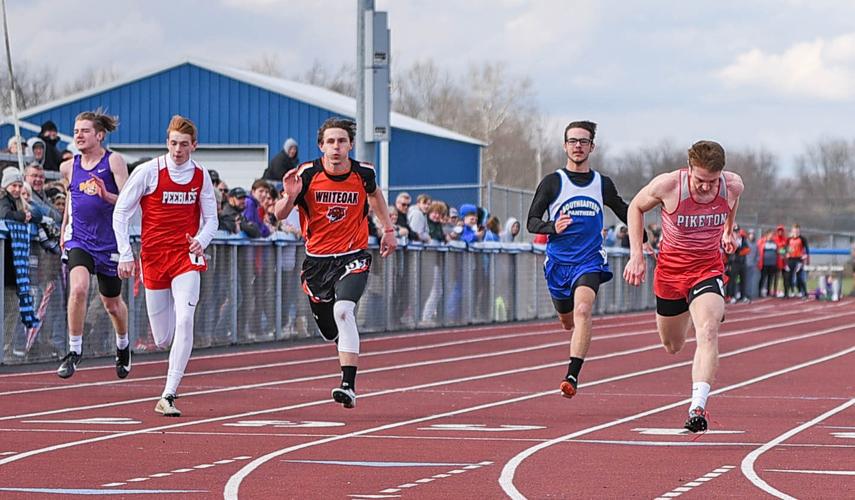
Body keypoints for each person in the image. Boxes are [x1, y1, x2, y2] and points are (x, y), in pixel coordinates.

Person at [273, 117, 396, 409]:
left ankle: (347, 386)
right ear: (321, 146)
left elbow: (375, 195)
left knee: (344, 311)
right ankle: (339, 340)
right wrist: (289, 198)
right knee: (330, 330)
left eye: (341, 141)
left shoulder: (363, 172)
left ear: (350, 144)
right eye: (330, 142)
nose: (336, 147)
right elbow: (279, 214)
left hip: (353, 255)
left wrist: (387, 229)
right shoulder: (306, 173)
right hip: (317, 261)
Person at [623, 140, 744, 433]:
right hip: (671, 272)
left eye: (712, 181)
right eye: (700, 180)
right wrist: (637, 254)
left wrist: (728, 231)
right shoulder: (669, 186)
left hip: (707, 269)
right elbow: (635, 207)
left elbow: (731, 203)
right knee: (673, 345)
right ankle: (693, 309)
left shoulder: (732, 186)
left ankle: (697, 407)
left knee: (708, 329)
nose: (705, 187)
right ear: (689, 169)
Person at [527, 120, 645, 401]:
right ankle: (569, 327)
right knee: (568, 320)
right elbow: (531, 221)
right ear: (565, 145)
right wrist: (552, 227)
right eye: (572, 141)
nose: (577, 146)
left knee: (582, 311)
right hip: (558, 264)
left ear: (592, 146)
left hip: (589, 260)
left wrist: (645, 240)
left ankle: (572, 375)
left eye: (583, 141)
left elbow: (625, 211)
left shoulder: (601, 183)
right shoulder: (553, 182)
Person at [113, 115, 218, 416]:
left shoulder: (200, 175)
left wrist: (202, 239)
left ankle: (168, 394)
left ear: (194, 146)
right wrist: (125, 253)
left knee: (186, 319)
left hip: (186, 257)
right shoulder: (149, 171)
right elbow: (121, 212)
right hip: (154, 259)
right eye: (173, 143)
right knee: (163, 338)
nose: (177, 150)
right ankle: (170, 350)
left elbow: (212, 219)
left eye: (184, 145)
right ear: (167, 143)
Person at [56, 110, 130, 380]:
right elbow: (71, 201)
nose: (79, 135)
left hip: (109, 242)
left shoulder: (114, 162)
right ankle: (74, 350)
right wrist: (64, 230)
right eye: (76, 130)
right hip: (80, 240)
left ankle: (123, 344)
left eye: (85, 130)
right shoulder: (68, 167)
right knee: (78, 289)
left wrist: (105, 194)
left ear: (99, 135)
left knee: (111, 304)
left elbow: (127, 202)